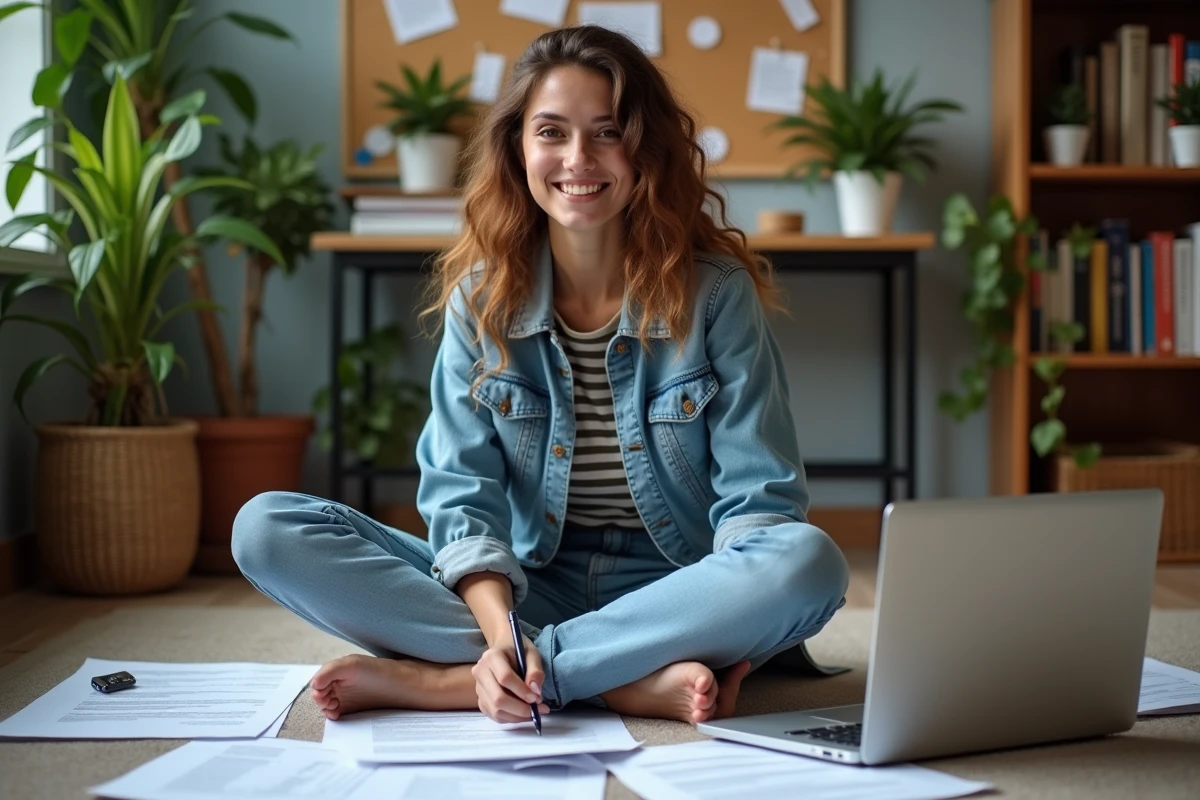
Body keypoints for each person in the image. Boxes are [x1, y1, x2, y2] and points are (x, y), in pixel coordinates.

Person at [232, 25, 849, 728]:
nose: (577, 159)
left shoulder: (716, 295)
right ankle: (614, 681)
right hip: (527, 587)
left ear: (643, 151)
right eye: (551, 132)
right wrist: (502, 633)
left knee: (809, 563)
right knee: (266, 529)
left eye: (607, 132)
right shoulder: (480, 299)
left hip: (679, 595)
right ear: (518, 148)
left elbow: (760, 506)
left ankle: (464, 683)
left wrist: (711, 606)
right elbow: (462, 500)